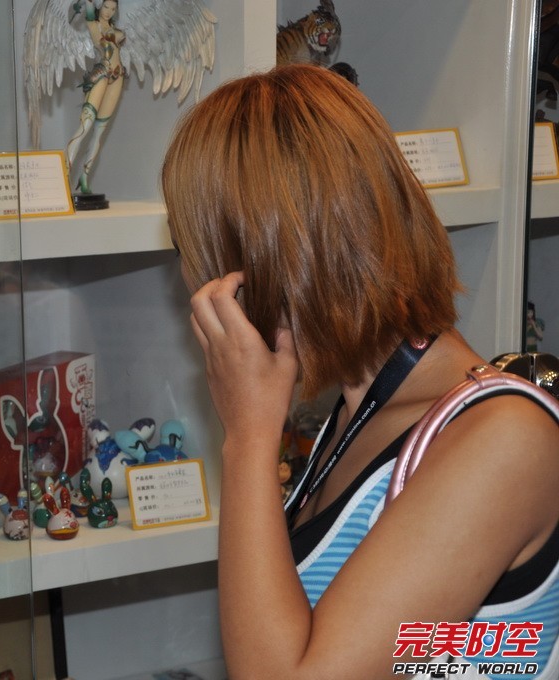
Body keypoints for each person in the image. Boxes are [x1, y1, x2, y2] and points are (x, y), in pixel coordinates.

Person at [160, 63, 559, 679]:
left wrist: (248, 439)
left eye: (189, 249)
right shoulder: (356, 412)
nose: (190, 280)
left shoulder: (503, 439)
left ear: (256, 260)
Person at [65, 0, 126, 196]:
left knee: (99, 132)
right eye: (106, 6)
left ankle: (84, 177)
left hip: (118, 77)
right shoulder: (93, 23)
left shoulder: (116, 30)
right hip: (101, 74)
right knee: (85, 126)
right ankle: (65, 174)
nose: (108, 11)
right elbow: (90, 7)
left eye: (113, 9)